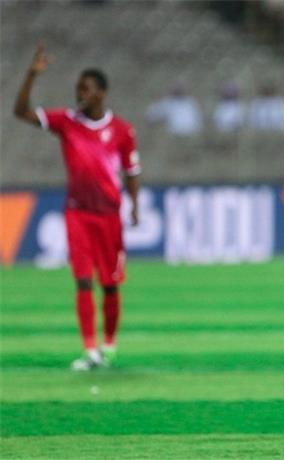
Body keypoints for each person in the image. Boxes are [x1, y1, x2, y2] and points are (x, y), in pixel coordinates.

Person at [14, 44, 141, 371]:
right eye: (78, 89)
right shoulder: (67, 122)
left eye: (86, 89)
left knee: (110, 284)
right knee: (83, 280)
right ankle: (90, 350)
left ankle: (109, 345)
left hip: (109, 215)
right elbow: (21, 112)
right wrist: (31, 75)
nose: (80, 94)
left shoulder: (122, 131)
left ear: (101, 93)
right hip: (78, 214)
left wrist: (135, 206)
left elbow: (132, 172)